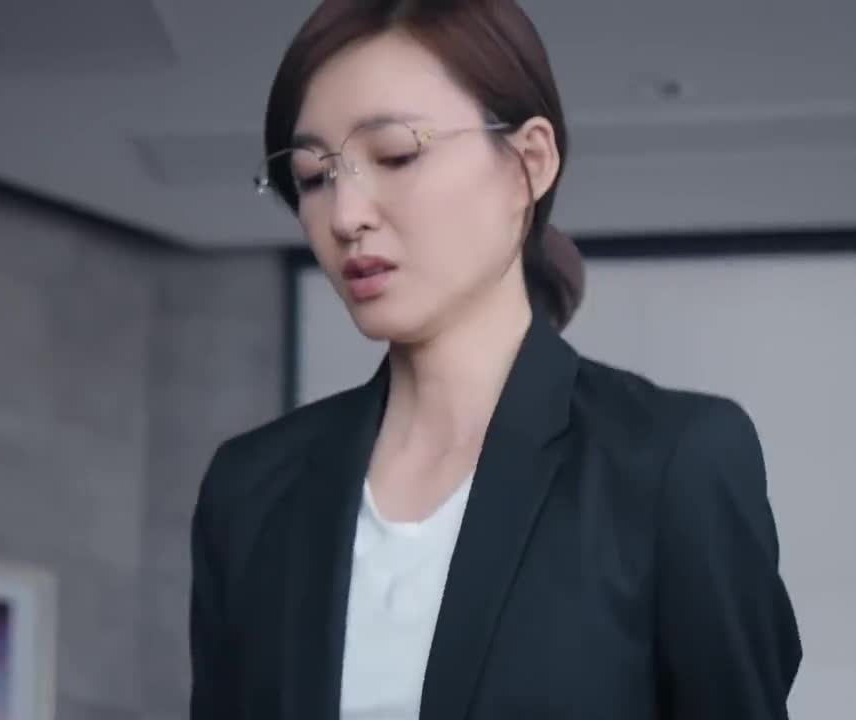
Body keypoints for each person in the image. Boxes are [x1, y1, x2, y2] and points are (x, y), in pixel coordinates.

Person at [188, 1, 802, 719]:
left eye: (395, 155)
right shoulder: (252, 490)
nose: (346, 215)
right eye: (313, 176)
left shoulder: (671, 464)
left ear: (528, 165)